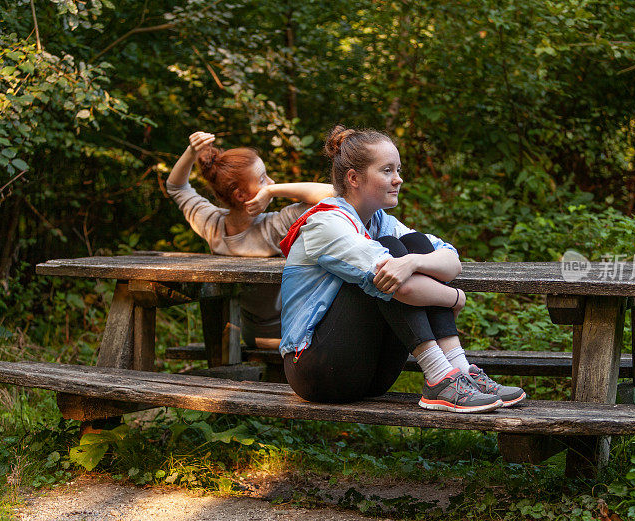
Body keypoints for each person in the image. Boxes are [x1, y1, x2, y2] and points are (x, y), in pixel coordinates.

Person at [278, 126, 526, 412]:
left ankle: (458, 371)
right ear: (354, 178)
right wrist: (457, 298)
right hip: (316, 371)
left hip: (373, 374)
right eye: (387, 170)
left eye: (398, 169)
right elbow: (400, 286)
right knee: (391, 258)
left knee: (413, 244)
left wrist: (414, 261)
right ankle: (439, 377)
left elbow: (450, 260)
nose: (398, 179)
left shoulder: (381, 221)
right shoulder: (326, 224)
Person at [166, 131, 334, 348]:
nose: (271, 182)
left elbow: (176, 187)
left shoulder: (211, 225)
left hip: (252, 335)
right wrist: (275, 191)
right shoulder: (277, 226)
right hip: (297, 331)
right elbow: (337, 194)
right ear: (240, 195)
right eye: (264, 179)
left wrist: (191, 152)